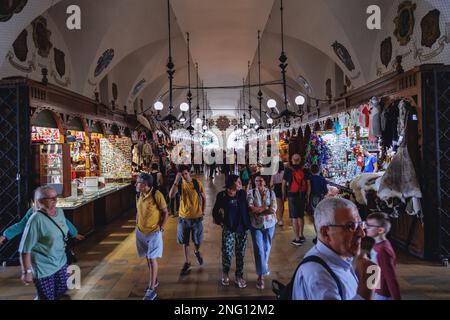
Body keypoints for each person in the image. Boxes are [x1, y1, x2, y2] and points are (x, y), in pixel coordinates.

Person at [292, 197, 376, 300]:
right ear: (325, 232)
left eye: (361, 225)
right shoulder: (317, 275)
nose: (362, 233)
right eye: (351, 226)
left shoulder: (341, 257)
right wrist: (368, 285)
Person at [18, 186, 72, 300]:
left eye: (55, 197)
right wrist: (26, 271)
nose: (55, 200)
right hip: (43, 268)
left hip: (60, 262)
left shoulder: (60, 212)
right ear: (40, 201)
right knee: (47, 297)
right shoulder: (36, 220)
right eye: (50, 198)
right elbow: (24, 249)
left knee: (61, 292)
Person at [212, 175, 251, 289]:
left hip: (242, 228)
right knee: (227, 252)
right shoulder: (222, 195)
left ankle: (239, 275)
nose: (240, 183)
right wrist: (221, 222)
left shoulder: (242, 194)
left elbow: (246, 208)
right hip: (229, 228)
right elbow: (215, 211)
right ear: (232, 184)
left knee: (240, 253)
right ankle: (225, 272)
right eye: (238, 182)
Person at [135, 173, 169, 300]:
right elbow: (138, 211)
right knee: (148, 258)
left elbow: (165, 212)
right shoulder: (140, 194)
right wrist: (136, 223)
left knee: (152, 258)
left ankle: (151, 289)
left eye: (138, 182)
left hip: (154, 231)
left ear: (145, 184)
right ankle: (154, 280)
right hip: (141, 231)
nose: (136, 184)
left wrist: (160, 227)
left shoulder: (156, 195)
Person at [169, 165, 206, 276]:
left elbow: (204, 197)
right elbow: (171, 196)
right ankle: (187, 262)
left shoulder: (196, 183)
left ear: (189, 173)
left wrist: (203, 211)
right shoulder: (179, 184)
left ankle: (196, 251)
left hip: (197, 218)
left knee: (197, 240)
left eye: (185, 174)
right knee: (185, 242)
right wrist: (176, 180)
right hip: (183, 218)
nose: (184, 176)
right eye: (182, 174)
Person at [247, 174, 277, 290]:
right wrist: (264, 208)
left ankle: (263, 265)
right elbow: (250, 207)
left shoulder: (271, 192)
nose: (258, 183)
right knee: (258, 249)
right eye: (256, 181)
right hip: (255, 225)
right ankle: (260, 276)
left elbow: (273, 209)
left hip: (270, 224)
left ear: (265, 182)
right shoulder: (251, 193)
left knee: (267, 247)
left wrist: (258, 211)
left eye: (260, 181)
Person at [0, 207, 84, 246]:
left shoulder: (34, 211)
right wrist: (5, 235)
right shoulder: (54, 211)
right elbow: (65, 222)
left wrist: (5, 235)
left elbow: (21, 225)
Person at [366, 212, 401, 300]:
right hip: (376, 290)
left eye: (369, 226)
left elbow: (390, 277)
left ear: (380, 230)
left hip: (382, 294)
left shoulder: (383, 250)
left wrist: (397, 297)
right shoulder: (378, 244)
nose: (366, 228)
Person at [282, 154, 311, 246]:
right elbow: (308, 184)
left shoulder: (288, 170)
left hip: (292, 195)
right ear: (300, 160)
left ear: (292, 160)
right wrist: (307, 196)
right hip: (302, 195)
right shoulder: (305, 170)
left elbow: (283, 184)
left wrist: (284, 195)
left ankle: (297, 238)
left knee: (294, 218)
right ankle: (301, 235)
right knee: (301, 216)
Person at [270, 161, 285, 226]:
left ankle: (279, 219)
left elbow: (271, 183)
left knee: (278, 205)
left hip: (277, 188)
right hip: (284, 188)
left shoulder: (274, 173)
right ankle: (281, 218)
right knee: (282, 205)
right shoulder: (284, 173)